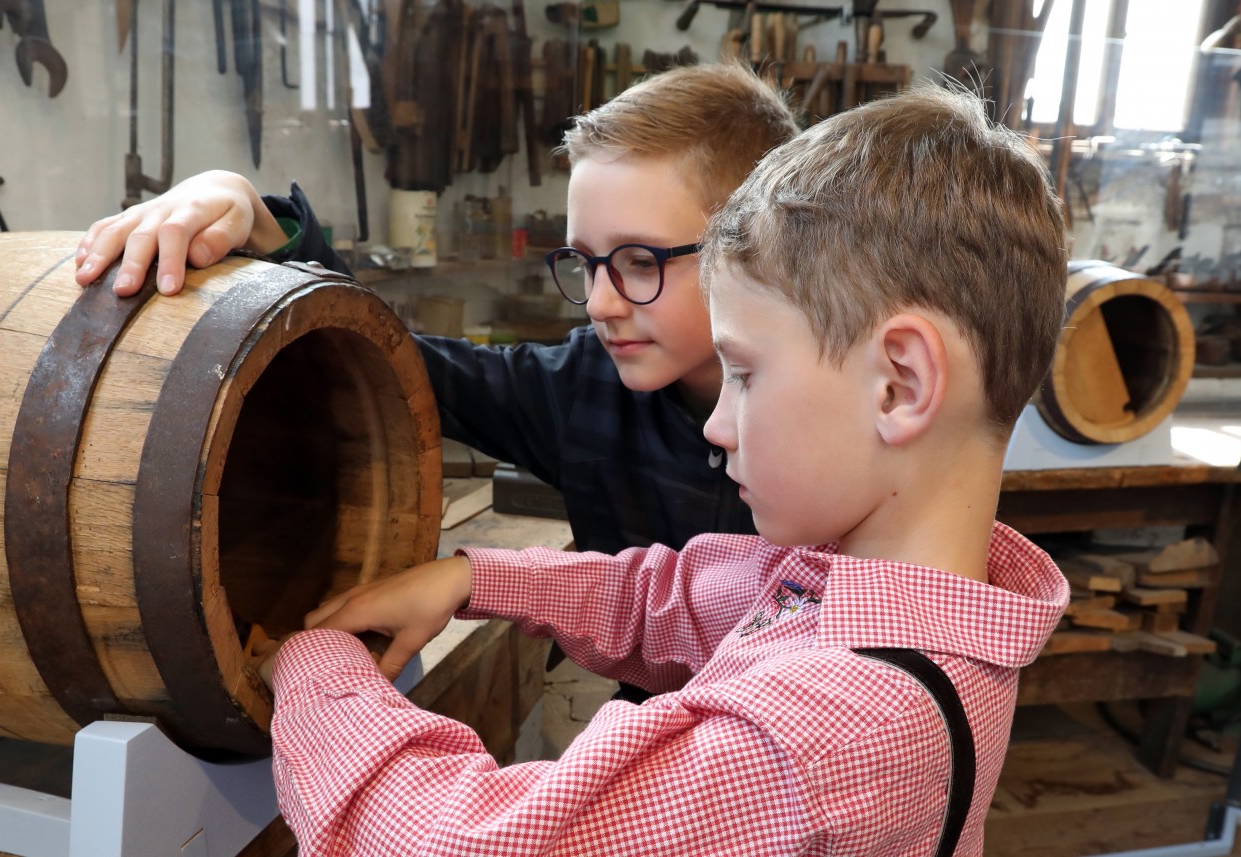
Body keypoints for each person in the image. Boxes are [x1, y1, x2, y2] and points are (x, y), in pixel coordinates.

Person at [259, 83, 1073, 856]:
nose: (718, 425)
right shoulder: (872, 592)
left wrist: (313, 664)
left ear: (901, 383)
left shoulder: (821, 736)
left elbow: (442, 840)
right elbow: (666, 600)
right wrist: (475, 578)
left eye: (746, 373)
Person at [73, 65, 799, 697]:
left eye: (639, 262)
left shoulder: (841, 437)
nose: (602, 302)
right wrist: (265, 227)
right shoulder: (586, 386)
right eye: (583, 263)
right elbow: (390, 366)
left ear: (754, 250)